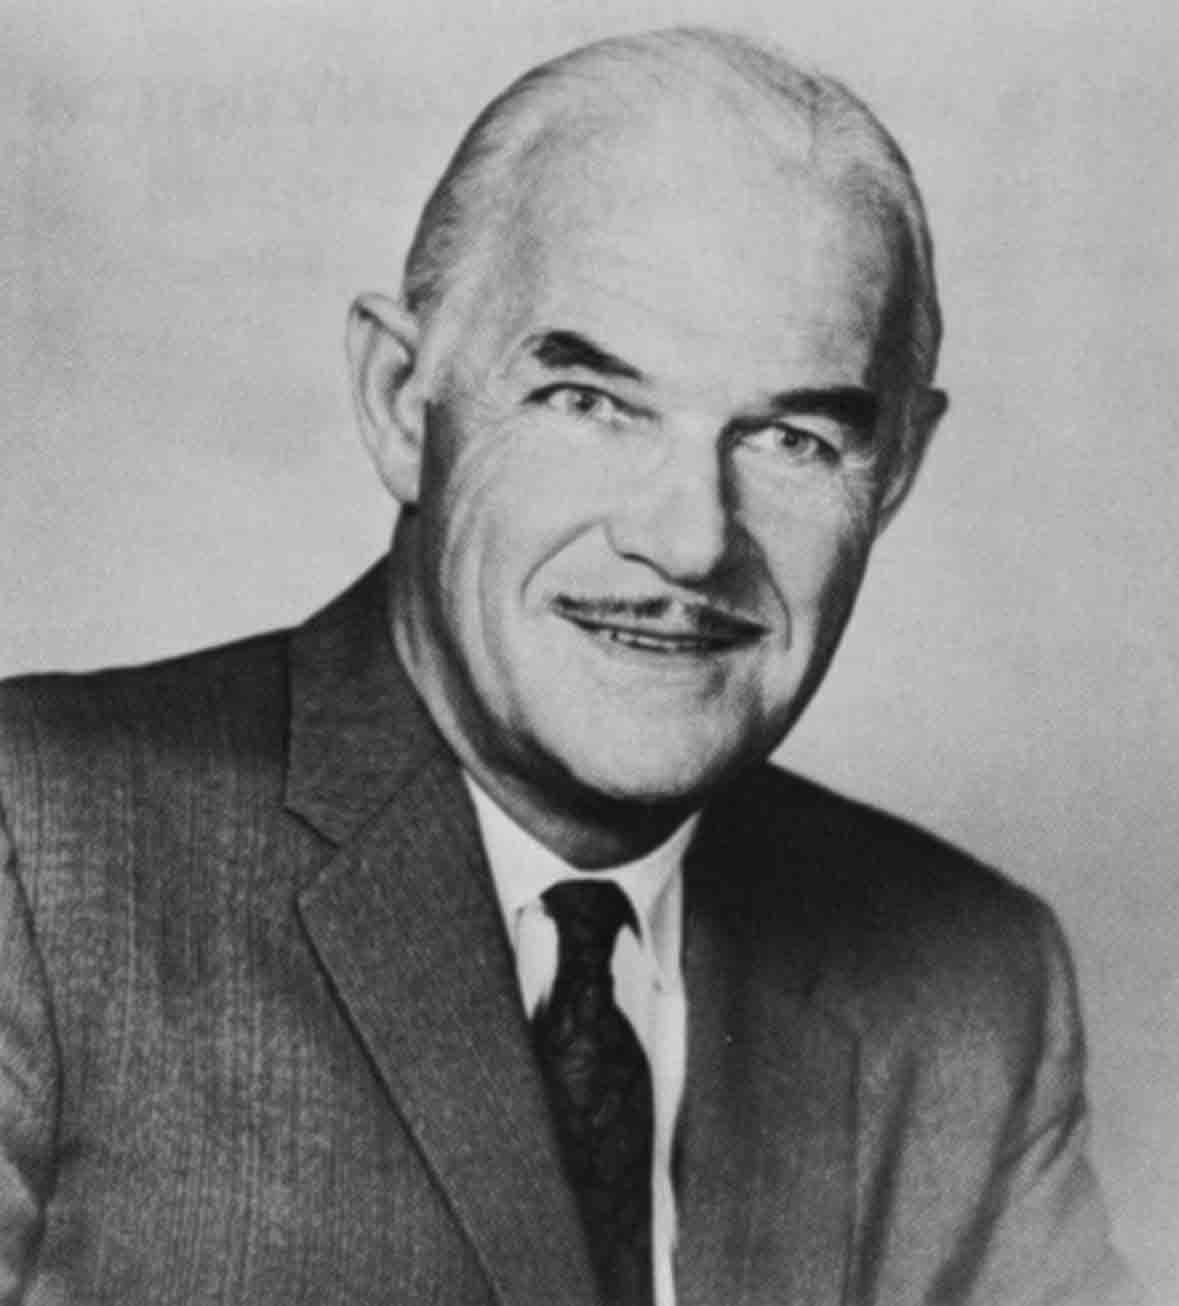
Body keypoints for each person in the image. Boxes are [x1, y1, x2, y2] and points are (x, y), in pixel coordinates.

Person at [0, 26, 1138, 1306]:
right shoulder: (40, 854)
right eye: (591, 403)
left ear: (897, 473)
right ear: (400, 398)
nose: (691, 539)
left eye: (792, 438)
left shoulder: (966, 988)